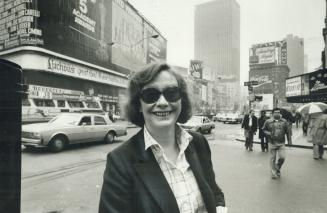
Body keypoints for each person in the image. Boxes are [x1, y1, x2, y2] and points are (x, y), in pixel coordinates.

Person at [99, 62, 226, 213]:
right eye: (151, 95)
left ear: (181, 100)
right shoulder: (120, 161)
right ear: (138, 104)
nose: (163, 103)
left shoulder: (198, 142)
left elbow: (214, 192)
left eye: (171, 93)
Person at [263, 108, 290, 179]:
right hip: (272, 143)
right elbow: (263, 129)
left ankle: (277, 167)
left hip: (281, 143)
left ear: (280, 113)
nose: (277, 113)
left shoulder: (284, 121)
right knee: (272, 158)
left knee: (282, 157)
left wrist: (289, 141)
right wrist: (269, 133)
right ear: (272, 114)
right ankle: (273, 172)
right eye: (275, 112)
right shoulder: (268, 121)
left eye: (278, 112)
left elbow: (288, 132)